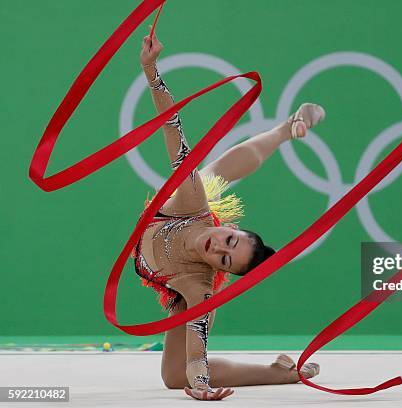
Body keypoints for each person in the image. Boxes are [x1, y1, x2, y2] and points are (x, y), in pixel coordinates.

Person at [134, 29, 326, 401]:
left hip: (173, 277)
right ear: (230, 228)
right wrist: (150, 69)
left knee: (176, 376)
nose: (218, 247)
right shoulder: (193, 203)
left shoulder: (199, 286)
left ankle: (279, 374)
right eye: (230, 240)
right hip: (177, 216)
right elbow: (172, 126)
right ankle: (285, 130)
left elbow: (194, 359)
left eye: (224, 259)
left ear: (220, 270)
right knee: (212, 176)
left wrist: (201, 384)